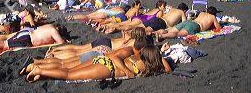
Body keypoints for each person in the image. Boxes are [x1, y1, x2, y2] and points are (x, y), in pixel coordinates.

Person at [25, 44, 167, 82]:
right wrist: (128, 72)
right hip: (107, 68)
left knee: (67, 68)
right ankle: (40, 70)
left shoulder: (137, 58)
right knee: (68, 74)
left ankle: (41, 71)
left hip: (102, 60)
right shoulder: (145, 64)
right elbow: (168, 69)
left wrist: (160, 54)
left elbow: (167, 69)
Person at [0, 24, 68, 56]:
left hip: (25, 33)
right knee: (4, 45)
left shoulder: (50, 26)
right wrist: (64, 41)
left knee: (5, 42)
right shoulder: (53, 31)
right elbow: (61, 43)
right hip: (27, 39)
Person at [155, 6, 221, 40]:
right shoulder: (213, 17)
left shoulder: (202, 13)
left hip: (189, 21)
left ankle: (153, 33)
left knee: (168, 30)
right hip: (195, 26)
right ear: (214, 13)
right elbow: (218, 28)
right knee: (178, 34)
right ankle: (161, 36)